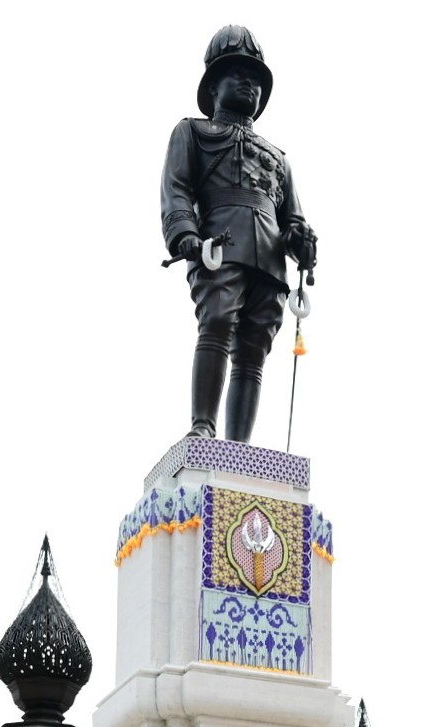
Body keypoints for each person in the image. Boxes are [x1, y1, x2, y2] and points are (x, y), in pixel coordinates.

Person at [161, 25, 320, 442]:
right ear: (214, 86)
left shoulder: (278, 158)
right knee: (216, 320)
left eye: (256, 79)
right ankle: (202, 425)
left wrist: (302, 242)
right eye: (238, 74)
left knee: (254, 348)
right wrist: (185, 235)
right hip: (219, 245)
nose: (250, 84)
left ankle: (239, 446)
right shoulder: (192, 133)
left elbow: (293, 219)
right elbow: (177, 189)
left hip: (268, 260)